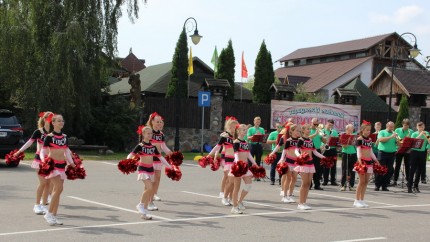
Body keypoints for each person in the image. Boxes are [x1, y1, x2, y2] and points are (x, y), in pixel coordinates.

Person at [40, 114, 76, 225]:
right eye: (59, 121)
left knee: (58, 191)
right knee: (59, 188)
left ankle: (54, 216)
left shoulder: (64, 137)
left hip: (62, 165)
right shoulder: (49, 137)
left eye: (62, 120)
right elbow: (43, 151)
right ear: (53, 123)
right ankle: (48, 214)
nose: (61, 122)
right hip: (52, 165)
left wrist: (72, 164)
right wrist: (43, 160)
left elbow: (66, 152)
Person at [14, 112, 53, 215]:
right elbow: (29, 143)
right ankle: (36, 205)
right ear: (44, 119)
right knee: (43, 182)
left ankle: (43, 205)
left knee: (49, 183)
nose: (51, 119)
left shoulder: (54, 132)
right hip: (40, 159)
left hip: (51, 160)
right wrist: (19, 152)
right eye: (50, 117)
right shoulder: (38, 132)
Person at [130, 125, 171, 220]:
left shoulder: (153, 147)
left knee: (148, 191)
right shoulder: (140, 146)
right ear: (143, 134)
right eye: (147, 133)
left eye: (151, 133)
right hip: (142, 169)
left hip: (150, 170)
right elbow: (131, 154)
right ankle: (140, 205)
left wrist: (169, 166)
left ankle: (144, 213)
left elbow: (160, 157)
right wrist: (128, 161)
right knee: (149, 187)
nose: (150, 135)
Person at [207, 116, 239, 206]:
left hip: (235, 160)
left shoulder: (237, 137)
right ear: (228, 126)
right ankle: (224, 195)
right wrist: (212, 155)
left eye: (235, 127)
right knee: (228, 178)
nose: (234, 128)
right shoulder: (225, 136)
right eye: (232, 126)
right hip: (227, 159)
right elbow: (218, 146)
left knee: (233, 181)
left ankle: (231, 197)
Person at [145, 112, 172, 211]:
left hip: (158, 159)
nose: (159, 123)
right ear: (152, 122)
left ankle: (154, 194)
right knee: (151, 181)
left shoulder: (161, 134)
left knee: (157, 179)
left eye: (160, 122)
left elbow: (163, 146)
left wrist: (170, 153)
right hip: (150, 159)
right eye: (157, 121)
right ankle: (149, 202)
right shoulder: (149, 133)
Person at [295, 123, 326, 210]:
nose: (309, 130)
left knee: (308, 184)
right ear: (303, 130)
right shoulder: (300, 140)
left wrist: (324, 157)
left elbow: (315, 152)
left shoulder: (310, 140)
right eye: (307, 129)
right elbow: (296, 150)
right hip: (304, 163)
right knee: (304, 183)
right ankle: (300, 203)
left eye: (309, 129)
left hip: (310, 163)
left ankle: (304, 202)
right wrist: (299, 156)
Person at [230, 124, 257, 214]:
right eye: (243, 129)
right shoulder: (236, 142)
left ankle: (240, 201)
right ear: (238, 131)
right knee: (236, 188)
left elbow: (248, 154)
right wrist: (238, 163)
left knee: (249, 184)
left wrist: (254, 163)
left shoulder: (245, 142)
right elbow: (236, 154)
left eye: (246, 129)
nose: (245, 131)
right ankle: (234, 207)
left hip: (245, 167)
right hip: (238, 166)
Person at [271, 124, 300, 204]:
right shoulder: (288, 140)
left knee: (294, 179)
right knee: (288, 179)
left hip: (296, 163)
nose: (298, 132)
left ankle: (290, 195)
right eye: (297, 131)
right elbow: (284, 150)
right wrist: (281, 159)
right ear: (291, 131)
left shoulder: (299, 140)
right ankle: (284, 195)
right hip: (289, 162)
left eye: (299, 131)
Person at [354, 121, 381, 208]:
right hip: (362, 162)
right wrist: (360, 161)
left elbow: (371, 152)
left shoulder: (369, 140)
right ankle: (356, 200)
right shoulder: (359, 139)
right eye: (367, 130)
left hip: (369, 162)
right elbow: (358, 151)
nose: (369, 131)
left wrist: (376, 160)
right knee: (361, 182)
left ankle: (362, 200)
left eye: (369, 130)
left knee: (366, 182)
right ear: (362, 130)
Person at [375, 121, 399, 191]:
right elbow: (381, 140)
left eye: (393, 127)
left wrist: (398, 140)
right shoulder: (382, 132)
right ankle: (377, 185)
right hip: (382, 153)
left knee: (388, 170)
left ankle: (384, 186)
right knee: (380, 169)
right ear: (387, 126)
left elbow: (400, 144)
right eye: (390, 127)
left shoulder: (394, 134)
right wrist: (391, 136)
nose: (392, 128)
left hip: (391, 153)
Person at [408, 122, 429, 193]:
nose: (421, 128)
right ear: (417, 127)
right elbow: (413, 141)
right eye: (419, 127)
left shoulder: (427, 133)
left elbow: (429, 141)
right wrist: (420, 134)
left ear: (424, 127)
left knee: (419, 170)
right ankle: (409, 186)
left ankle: (416, 185)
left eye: (422, 127)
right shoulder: (414, 134)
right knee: (412, 169)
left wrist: (426, 136)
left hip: (422, 152)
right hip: (414, 152)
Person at [393, 119, 413, 186]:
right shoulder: (397, 130)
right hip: (399, 149)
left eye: (407, 125)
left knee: (407, 165)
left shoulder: (411, 131)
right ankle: (395, 180)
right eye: (405, 125)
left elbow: (412, 141)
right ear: (402, 124)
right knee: (397, 165)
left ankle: (408, 180)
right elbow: (396, 138)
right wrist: (401, 142)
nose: (406, 127)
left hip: (407, 150)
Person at [309, 118, 325, 190]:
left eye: (317, 124)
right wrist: (316, 133)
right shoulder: (308, 130)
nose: (316, 125)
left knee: (317, 168)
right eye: (314, 124)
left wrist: (323, 136)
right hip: (309, 150)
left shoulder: (319, 131)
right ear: (311, 123)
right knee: (309, 168)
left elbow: (324, 141)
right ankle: (309, 184)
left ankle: (317, 184)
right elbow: (307, 138)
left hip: (317, 150)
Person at [321, 119, 339, 186]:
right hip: (326, 150)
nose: (330, 126)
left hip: (333, 149)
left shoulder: (334, 131)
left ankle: (332, 181)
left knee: (333, 166)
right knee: (326, 166)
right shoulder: (322, 131)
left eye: (332, 125)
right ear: (326, 123)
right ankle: (325, 180)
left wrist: (335, 141)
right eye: (329, 125)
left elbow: (337, 141)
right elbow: (321, 140)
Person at [340, 124, 357, 191]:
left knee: (352, 171)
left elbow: (356, 143)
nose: (351, 131)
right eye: (349, 130)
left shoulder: (354, 135)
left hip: (353, 154)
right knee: (345, 170)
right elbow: (344, 146)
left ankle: (351, 185)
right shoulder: (343, 135)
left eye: (352, 130)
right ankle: (343, 185)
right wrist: (348, 141)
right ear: (346, 130)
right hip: (345, 153)